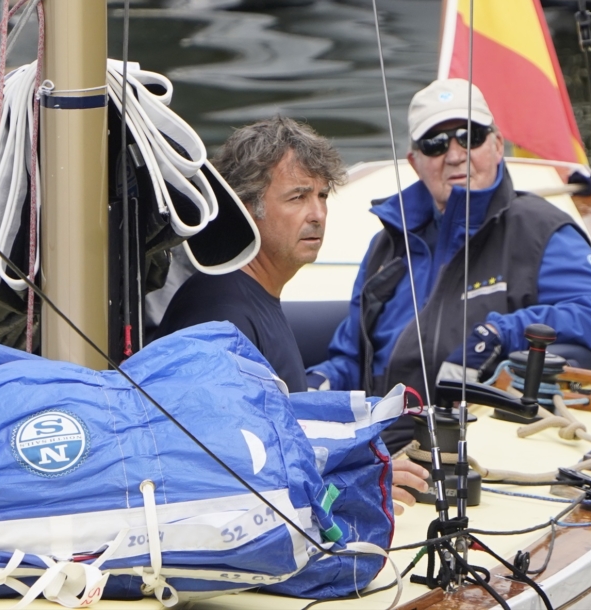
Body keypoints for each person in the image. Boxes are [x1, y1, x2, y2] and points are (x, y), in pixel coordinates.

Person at [307, 79, 591, 451]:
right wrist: (319, 383)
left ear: (497, 146)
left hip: (475, 445)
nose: (455, 154)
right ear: (415, 162)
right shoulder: (386, 244)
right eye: (435, 143)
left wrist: (500, 333)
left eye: (470, 136)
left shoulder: (539, 230)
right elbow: (352, 358)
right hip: (380, 446)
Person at [153, 116, 428, 514]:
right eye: (298, 197)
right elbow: (224, 473)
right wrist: (355, 480)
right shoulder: (219, 317)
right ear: (247, 210)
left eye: (322, 196)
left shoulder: (252, 295)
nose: (317, 213)